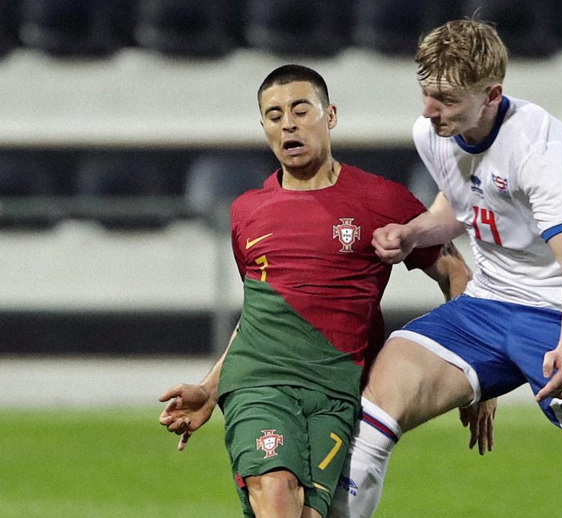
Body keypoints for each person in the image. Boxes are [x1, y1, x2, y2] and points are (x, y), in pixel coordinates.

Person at [328, 20, 562, 518]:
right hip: (488, 305)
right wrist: (413, 233)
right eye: (426, 93)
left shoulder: (537, 144)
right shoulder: (433, 132)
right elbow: (462, 205)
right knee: (373, 414)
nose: (429, 110)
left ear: (492, 95)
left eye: (446, 99)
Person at [157, 64, 470, 518]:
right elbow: (261, 313)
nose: (288, 123)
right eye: (274, 115)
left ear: (331, 116)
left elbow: (455, 273)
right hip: (259, 383)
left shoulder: (383, 201)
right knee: (276, 492)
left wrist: (475, 373)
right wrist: (210, 388)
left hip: (335, 393)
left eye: (300, 110)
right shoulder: (248, 211)